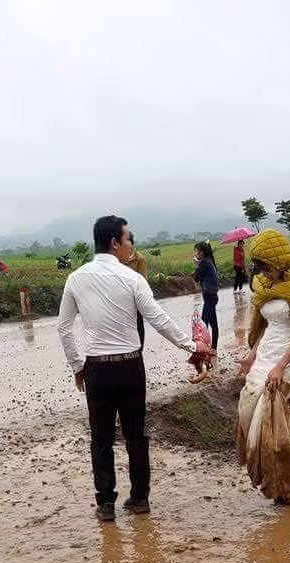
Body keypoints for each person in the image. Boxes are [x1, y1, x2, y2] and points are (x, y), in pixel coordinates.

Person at [57, 215, 210, 523]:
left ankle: (106, 505)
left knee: (100, 438)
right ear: (114, 243)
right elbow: (158, 318)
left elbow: (63, 328)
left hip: (97, 370)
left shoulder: (76, 278)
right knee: (135, 436)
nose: (132, 246)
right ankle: (139, 499)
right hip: (130, 368)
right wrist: (192, 347)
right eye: (129, 240)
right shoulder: (132, 279)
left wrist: (77, 366)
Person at [236, 230, 290, 505]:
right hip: (263, 360)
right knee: (254, 426)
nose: (263, 273)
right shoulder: (264, 285)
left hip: (288, 365)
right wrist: (251, 355)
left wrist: (280, 365)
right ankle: (281, 485)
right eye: (258, 267)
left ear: (278, 259)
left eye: (266, 266)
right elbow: (264, 325)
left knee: (277, 437)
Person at [193, 241, 219, 353]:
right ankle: (213, 348)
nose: (195, 253)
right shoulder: (209, 261)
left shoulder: (204, 262)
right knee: (213, 323)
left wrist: (197, 265)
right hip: (212, 296)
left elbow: (196, 278)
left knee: (204, 323)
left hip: (209, 297)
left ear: (201, 252)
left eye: (196, 251)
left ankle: (204, 349)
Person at [126, 232, 148, 348]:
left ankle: (139, 350)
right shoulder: (118, 259)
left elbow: (143, 281)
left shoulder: (140, 259)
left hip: (135, 300)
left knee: (138, 325)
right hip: (123, 302)